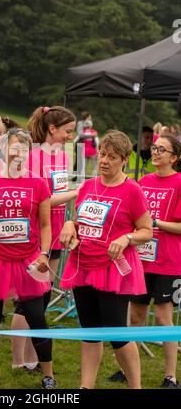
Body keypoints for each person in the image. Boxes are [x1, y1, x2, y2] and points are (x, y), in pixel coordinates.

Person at [60, 130, 152, 389]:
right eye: (102, 154)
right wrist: (70, 225)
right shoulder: (88, 186)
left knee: (117, 334)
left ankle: (136, 387)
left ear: (125, 159)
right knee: (89, 332)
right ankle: (85, 386)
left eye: (112, 157)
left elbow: (147, 230)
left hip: (113, 270)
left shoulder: (132, 190)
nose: (104, 161)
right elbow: (82, 222)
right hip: (83, 266)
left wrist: (126, 239)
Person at [0, 128, 57, 389]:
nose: (17, 153)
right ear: (4, 150)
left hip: (29, 258)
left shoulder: (38, 183)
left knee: (37, 317)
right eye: (13, 148)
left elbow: (45, 225)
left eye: (23, 148)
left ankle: (48, 375)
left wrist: (44, 253)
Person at [11, 106, 78, 370]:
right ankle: (19, 360)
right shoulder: (35, 156)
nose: (70, 137)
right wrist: (75, 192)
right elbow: (41, 200)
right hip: (37, 234)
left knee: (42, 298)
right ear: (52, 129)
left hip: (56, 233)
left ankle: (32, 357)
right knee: (27, 299)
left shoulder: (60, 155)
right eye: (67, 131)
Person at [130, 135, 181, 389]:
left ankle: (170, 375)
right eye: (154, 148)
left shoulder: (180, 182)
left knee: (163, 318)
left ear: (174, 157)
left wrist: (157, 223)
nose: (156, 152)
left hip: (168, 262)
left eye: (163, 149)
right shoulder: (143, 182)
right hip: (140, 259)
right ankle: (128, 368)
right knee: (136, 314)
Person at [74, 111, 99, 177]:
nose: (90, 118)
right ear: (86, 117)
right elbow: (80, 135)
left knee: (81, 163)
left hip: (86, 146)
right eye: (89, 117)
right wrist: (92, 135)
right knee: (79, 162)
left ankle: (78, 176)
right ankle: (76, 176)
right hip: (81, 144)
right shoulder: (81, 123)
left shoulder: (89, 128)